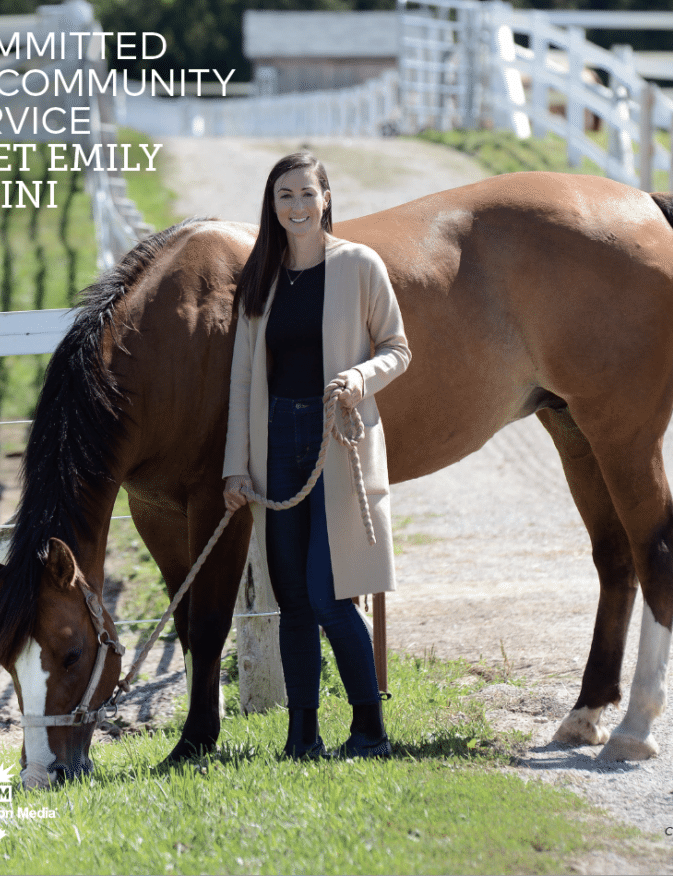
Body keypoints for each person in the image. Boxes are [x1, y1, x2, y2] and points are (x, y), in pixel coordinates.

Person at [222, 152, 411, 759]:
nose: (296, 206)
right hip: (277, 439)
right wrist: (236, 465)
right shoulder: (263, 277)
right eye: (284, 196)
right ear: (271, 205)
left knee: (331, 594)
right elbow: (244, 376)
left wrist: (360, 377)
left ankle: (369, 729)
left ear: (326, 197)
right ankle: (301, 736)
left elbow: (397, 348)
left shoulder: (359, 265)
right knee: (292, 599)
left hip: (337, 436)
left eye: (306, 193)